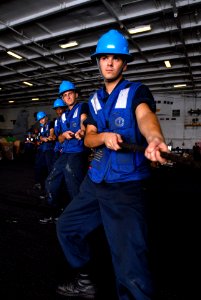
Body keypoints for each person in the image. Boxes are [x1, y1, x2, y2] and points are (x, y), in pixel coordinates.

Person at [56, 29, 169, 300]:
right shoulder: (93, 101)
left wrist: (155, 139)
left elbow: (145, 117)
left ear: (124, 63)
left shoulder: (136, 91)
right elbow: (89, 139)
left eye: (115, 58)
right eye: (104, 57)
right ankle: (84, 281)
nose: (109, 63)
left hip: (125, 188)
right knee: (67, 227)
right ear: (98, 62)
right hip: (94, 183)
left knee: (130, 262)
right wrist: (103, 137)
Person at [39, 81, 89, 224]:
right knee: (50, 182)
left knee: (72, 182)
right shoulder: (63, 116)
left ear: (76, 94)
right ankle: (57, 211)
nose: (67, 97)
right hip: (65, 152)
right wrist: (64, 135)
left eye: (70, 94)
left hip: (78, 152)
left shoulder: (82, 107)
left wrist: (82, 131)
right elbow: (59, 138)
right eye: (65, 95)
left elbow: (83, 121)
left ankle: (79, 219)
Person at [33, 111, 56, 193]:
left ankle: (51, 186)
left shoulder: (51, 124)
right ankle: (38, 183)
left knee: (50, 167)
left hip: (49, 149)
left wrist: (48, 138)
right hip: (42, 149)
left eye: (42, 119)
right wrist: (42, 139)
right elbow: (40, 137)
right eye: (40, 120)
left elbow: (51, 135)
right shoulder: (42, 127)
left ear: (46, 117)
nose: (41, 121)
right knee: (38, 166)